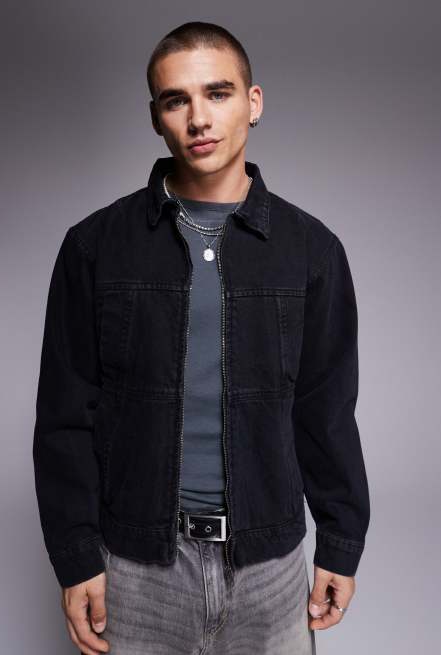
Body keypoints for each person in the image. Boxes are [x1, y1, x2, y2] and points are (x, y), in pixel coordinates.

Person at [32, 21, 370, 655]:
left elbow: (326, 412)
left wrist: (341, 542)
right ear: (156, 118)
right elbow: (65, 417)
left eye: (218, 93)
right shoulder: (95, 247)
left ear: (253, 102)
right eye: (176, 100)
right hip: (137, 568)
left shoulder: (312, 251)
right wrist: (76, 556)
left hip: (270, 569)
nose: (198, 119)